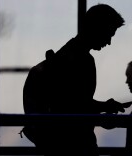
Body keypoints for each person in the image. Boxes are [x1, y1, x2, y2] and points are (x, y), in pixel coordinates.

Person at [23, 4, 125, 156]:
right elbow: (75, 106)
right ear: (97, 28)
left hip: (55, 145)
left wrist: (103, 107)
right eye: (108, 35)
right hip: (76, 145)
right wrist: (103, 111)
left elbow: (71, 102)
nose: (109, 42)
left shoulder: (61, 57)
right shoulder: (83, 61)